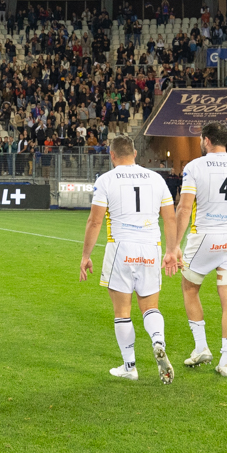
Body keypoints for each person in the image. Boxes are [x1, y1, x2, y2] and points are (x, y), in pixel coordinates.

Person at [79, 135, 180, 383]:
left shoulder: (106, 180)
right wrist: (171, 250)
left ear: (112, 156)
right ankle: (158, 341)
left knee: (122, 311)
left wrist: (85, 256)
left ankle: (130, 366)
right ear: (135, 154)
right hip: (151, 248)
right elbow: (170, 218)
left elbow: (95, 221)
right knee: (150, 307)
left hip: (121, 249)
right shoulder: (156, 179)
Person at [168, 122, 227, 377]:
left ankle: (201, 347)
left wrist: (174, 245)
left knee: (190, 288)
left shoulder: (195, 167)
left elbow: (184, 208)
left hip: (205, 238)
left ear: (207, 140)